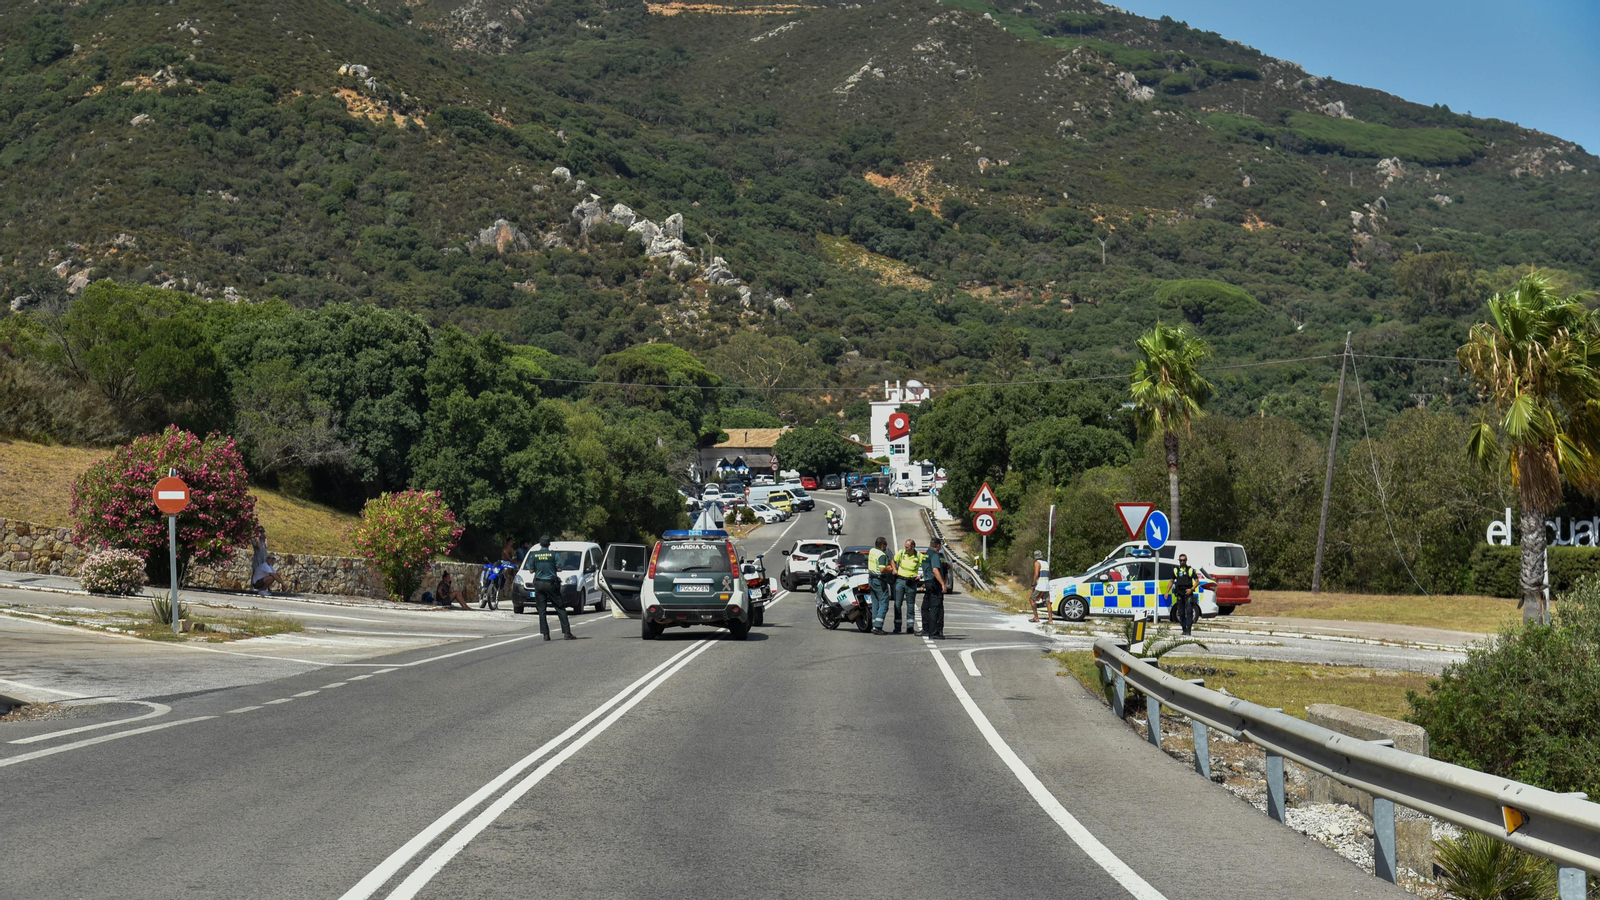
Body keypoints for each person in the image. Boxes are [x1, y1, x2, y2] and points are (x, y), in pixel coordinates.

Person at [528, 534, 575, 641]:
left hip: (539, 584)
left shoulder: (534, 555)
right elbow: (560, 569)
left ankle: (545, 634)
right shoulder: (554, 555)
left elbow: (531, 570)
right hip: (551, 584)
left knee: (542, 610)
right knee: (560, 608)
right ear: (549, 544)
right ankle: (567, 633)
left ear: (540, 544)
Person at [891, 539, 922, 634]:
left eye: (907, 547)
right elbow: (893, 560)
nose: (906, 548)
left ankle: (910, 627)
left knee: (910, 605)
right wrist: (894, 569)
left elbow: (925, 567)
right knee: (897, 604)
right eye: (905, 546)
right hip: (900, 581)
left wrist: (920, 576)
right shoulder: (901, 553)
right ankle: (897, 627)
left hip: (911, 583)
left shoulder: (919, 556)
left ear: (913, 547)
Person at [921, 538, 949, 639]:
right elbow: (935, 570)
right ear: (938, 546)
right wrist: (942, 584)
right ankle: (933, 633)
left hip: (928, 583)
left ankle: (927, 629)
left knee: (927, 607)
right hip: (934, 584)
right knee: (935, 609)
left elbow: (926, 570)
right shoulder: (934, 555)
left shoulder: (926, 555)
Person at [867, 536, 893, 635]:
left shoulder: (872, 551)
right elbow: (882, 570)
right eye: (886, 544)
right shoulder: (882, 555)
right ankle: (878, 626)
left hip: (871, 579)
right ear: (882, 545)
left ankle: (874, 624)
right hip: (879, 580)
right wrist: (891, 570)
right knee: (884, 603)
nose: (886, 546)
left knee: (875, 603)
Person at [1172, 553, 1200, 636]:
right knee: (1181, 612)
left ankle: (1189, 630)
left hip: (1188, 593)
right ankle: (1184, 629)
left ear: (1186, 560)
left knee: (1189, 612)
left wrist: (1191, 589)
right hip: (1180, 593)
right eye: (1181, 560)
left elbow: (1197, 581)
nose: (1182, 562)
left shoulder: (1190, 570)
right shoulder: (1176, 570)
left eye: (1184, 560)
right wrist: (1167, 592)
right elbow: (1171, 581)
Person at [1029, 549, 1053, 624]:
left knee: (1032, 599)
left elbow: (1036, 574)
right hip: (1046, 585)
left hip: (1040, 585)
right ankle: (1050, 620)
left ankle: (1036, 617)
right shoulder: (1046, 563)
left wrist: (1033, 584)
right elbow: (1049, 574)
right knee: (1047, 602)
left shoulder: (1037, 563)